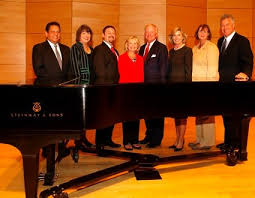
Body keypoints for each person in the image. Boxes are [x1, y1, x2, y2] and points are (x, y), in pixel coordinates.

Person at [32, 21, 71, 185]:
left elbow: (69, 71)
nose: (56, 34)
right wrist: (55, 84)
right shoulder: (39, 48)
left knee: (62, 126)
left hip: (63, 94)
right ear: (46, 33)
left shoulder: (66, 49)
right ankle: (48, 158)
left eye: (58, 32)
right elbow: (38, 70)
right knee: (48, 129)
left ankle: (60, 150)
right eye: (53, 32)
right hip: (46, 94)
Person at [217, 14, 253, 160]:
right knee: (225, 115)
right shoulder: (220, 41)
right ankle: (228, 142)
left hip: (237, 85)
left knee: (235, 116)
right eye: (222, 25)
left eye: (227, 25)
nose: (224, 28)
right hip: (223, 84)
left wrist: (246, 74)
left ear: (233, 25)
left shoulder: (242, 40)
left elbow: (248, 60)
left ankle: (235, 144)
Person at [189, 24, 219, 150]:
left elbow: (212, 69)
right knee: (199, 113)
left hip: (207, 85)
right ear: (197, 33)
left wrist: (209, 88)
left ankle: (207, 142)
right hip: (196, 85)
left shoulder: (211, 48)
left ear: (208, 34)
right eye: (200, 31)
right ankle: (199, 139)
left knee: (207, 114)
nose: (202, 33)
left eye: (205, 31)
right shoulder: (194, 48)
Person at [138, 24, 168, 148]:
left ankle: (156, 139)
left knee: (157, 115)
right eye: (147, 32)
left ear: (156, 34)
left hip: (157, 88)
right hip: (144, 88)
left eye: (151, 32)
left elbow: (163, 69)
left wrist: (161, 89)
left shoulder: (161, 48)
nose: (149, 34)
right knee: (147, 114)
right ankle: (149, 136)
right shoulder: (142, 48)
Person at [92, 25, 121, 148]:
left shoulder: (115, 51)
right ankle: (100, 143)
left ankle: (108, 139)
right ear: (103, 35)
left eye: (113, 33)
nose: (111, 35)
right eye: (108, 32)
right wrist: (105, 90)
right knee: (103, 117)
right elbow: (100, 72)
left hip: (113, 89)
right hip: (104, 90)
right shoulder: (99, 49)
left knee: (111, 117)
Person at [70, 24, 95, 155]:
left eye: (88, 33)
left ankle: (83, 138)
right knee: (79, 116)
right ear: (79, 35)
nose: (87, 35)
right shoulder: (75, 48)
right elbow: (75, 68)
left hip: (90, 86)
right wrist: (79, 85)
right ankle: (78, 141)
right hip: (80, 86)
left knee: (86, 115)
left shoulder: (91, 48)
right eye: (84, 33)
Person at [168, 27, 192, 152]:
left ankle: (181, 140)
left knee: (182, 116)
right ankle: (177, 139)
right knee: (176, 116)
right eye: (174, 35)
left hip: (183, 88)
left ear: (183, 37)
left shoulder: (187, 51)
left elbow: (188, 71)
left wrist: (187, 88)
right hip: (173, 89)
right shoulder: (171, 52)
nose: (176, 37)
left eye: (179, 35)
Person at [118, 36, 144, 150]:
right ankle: (127, 141)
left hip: (137, 92)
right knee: (127, 118)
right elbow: (122, 75)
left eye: (135, 43)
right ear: (127, 45)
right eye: (130, 43)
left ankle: (134, 140)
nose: (132, 45)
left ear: (137, 46)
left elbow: (141, 76)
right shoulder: (122, 58)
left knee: (136, 118)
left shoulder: (140, 58)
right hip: (126, 92)